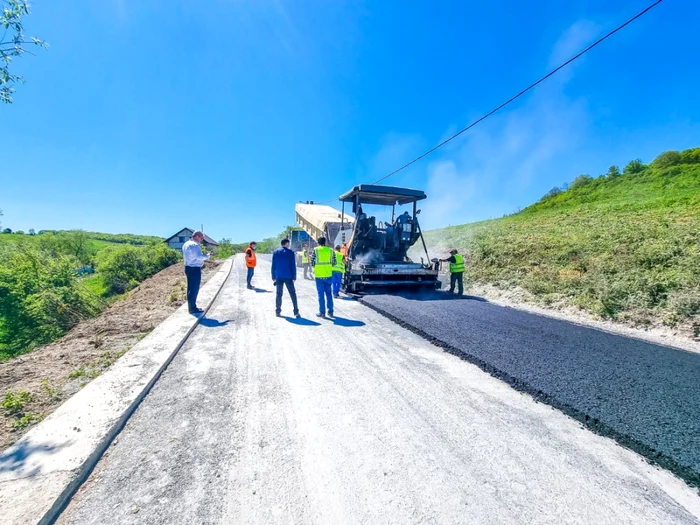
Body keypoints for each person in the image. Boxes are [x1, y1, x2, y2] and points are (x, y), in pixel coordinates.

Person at [182, 230, 211, 314]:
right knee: (194, 288)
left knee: (190, 288)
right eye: (201, 238)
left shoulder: (186, 244)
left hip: (188, 267)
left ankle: (191, 306)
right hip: (194, 268)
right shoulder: (194, 245)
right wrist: (207, 256)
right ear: (197, 236)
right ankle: (192, 308)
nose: (201, 240)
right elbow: (199, 256)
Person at [271, 238, 300, 318]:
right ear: (286, 244)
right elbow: (293, 266)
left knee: (279, 294)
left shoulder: (276, 252)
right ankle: (296, 312)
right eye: (288, 243)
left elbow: (273, 265)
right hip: (288, 276)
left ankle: (278, 311)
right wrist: (294, 276)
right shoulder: (290, 252)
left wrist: (273, 276)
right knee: (293, 294)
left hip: (279, 276)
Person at [311, 237, 336, 318]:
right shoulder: (331, 250)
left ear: (318, 242)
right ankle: (331, 312)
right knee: (329, 294)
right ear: (325, 242)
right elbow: (334, 262)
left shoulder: (316, 250)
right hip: (328, 275)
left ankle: (322, 313)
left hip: (319, 276)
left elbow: (312, 262)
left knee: (321, 295)